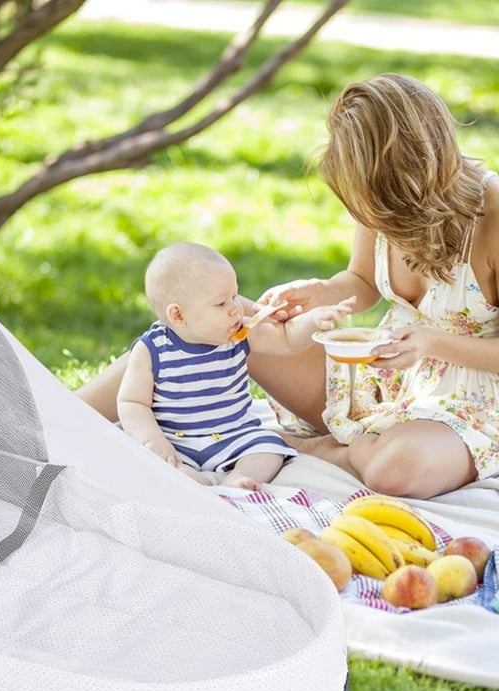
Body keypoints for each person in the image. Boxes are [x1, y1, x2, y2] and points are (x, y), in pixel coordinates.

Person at [78, 73, 499, 500]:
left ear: (416, 171)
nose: (374, 217)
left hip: (478, 403)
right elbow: (362, 281)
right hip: (382, 378)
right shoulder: (379, 196)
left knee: (397, 471)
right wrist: (320, 291)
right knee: (203, 317)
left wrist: (433, 344)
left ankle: (312, 448)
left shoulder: (494, 214)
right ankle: (53, 413)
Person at [117, 241, 354, 489]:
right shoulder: (152, 348)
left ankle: (237, 479)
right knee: (148, 459)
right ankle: (182, 473)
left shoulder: (239, 334)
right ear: (178, 315)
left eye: (234, 296)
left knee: (268, 449)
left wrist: (314, 320)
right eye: (221, 303)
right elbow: (132, 402)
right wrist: (154, 442)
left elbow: (285, 341)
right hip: (176, 440)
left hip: (232, 436)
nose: (236, 309)